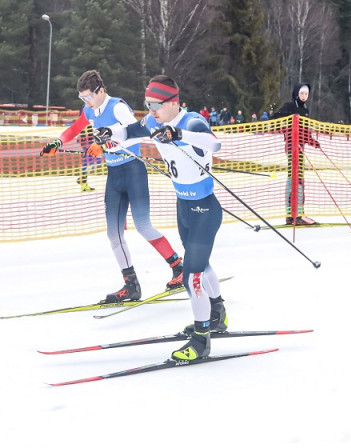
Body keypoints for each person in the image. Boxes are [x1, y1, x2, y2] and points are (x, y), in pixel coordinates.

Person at [94, 74, 226, 361]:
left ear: (173, 102)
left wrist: (178, 135)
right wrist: (108, 134)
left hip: (205, 209)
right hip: (185, 208)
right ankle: (217, 314)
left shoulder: (190, 121)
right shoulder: (155, 121)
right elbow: (130, 132)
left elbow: (214, 144)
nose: (151, 110)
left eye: (155, 104)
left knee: (191, 275)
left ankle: (201, 340)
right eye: (147, 103)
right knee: (201, 265)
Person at [40, 70, 184, 303]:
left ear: (101, 91)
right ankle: (131, 286)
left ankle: (179, 268)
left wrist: (107, 143)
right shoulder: (89, 109)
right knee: (113, 234)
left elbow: (135, 135)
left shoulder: (116, 106)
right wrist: (57, 142)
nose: (86, 102)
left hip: (133, 171)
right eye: (82, 99)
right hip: (114, 174)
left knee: (144, 226)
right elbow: (75, 128)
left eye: (88, 97)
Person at [270, 83, 320, 226]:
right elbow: (275, 119)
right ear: (297, 94)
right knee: (295, 179)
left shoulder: (305, 110)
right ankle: (292, 215)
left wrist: (312, 141)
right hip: (292, 146)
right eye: (302, 93)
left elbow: (305, 132)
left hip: (301, 147)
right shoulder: (290, 106)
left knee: (299, 179)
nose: (304, 96)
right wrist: (286, 130)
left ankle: (298, 212)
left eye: (306, 94)